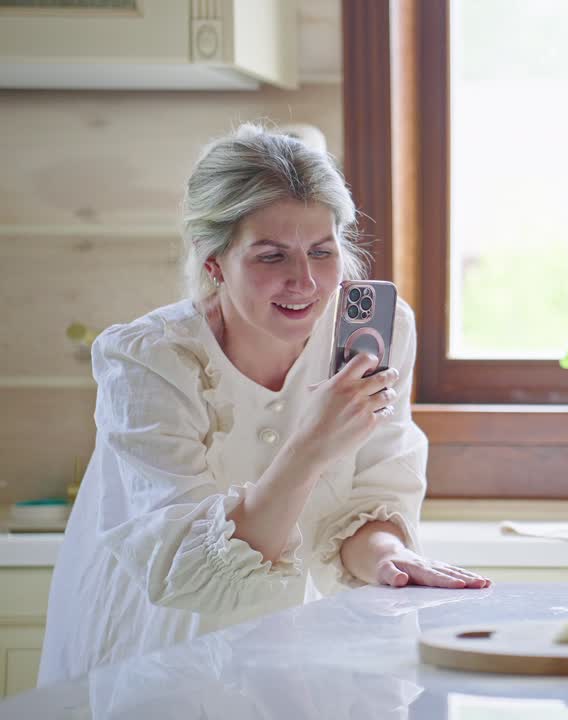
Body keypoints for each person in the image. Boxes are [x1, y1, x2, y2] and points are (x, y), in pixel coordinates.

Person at [39, 124, 489, 686]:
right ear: (214, 263)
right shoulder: (149, 359)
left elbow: (371, 494)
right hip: (164, 647)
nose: (304, 281)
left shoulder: (381, 332)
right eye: (271, 255)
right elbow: (196, 574)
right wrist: (310, 446)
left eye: (322, 252)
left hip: (308, 650)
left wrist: (389, 557)